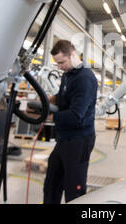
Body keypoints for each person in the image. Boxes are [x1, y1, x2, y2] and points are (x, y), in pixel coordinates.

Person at [43, 40, 98, 204]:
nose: (59, 67)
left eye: (62, 62)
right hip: (65, 138)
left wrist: (51, 118)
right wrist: (52, 99)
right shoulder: (68, 75)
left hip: (79, 140)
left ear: (73, 55)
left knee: (74, 189)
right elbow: (66, 97)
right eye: (57, 63)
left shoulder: (85, 79)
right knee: (51, 184)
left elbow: (76, 115)